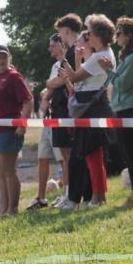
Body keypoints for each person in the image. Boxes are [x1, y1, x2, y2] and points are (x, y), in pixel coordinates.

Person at [58, 15, 118, 209]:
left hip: (94, 109)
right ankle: (97, 196)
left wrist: (63, 59)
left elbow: (74, 79)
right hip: (95, 107)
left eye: (90, 32)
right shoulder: (103, 54)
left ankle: (98, 198)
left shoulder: (99, 57)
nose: (87, 35)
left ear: (98, 35)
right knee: (93, 155)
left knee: (93, 155)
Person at [97, 17, 133, 206]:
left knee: (131, 153)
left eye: (118, 33)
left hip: (131, 110)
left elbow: (123, 85)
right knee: (128, 154)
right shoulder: (127, 57)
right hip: (122, 109)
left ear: (128, 36)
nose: (116, 36)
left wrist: (108, 70)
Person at [0, 45, 33, 216]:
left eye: (4, 56)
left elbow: (28, 101)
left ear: (9, 58)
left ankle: (12, 209)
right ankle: (3, 207)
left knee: (8, 170)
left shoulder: (14, 77)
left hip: (8, 129)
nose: (1, 60)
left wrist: (22, 124)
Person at [29, 34, 67, 210]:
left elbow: (55, 84)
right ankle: (41, 197)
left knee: (62, 158)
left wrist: (48, 89)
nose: (49, 48)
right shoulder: (54, 66)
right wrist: (49, 87)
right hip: (48, 118)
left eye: (52, 45)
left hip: (59, 116)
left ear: (61, 45)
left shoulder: (67, 62)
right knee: (42, 157)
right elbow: (51, 84)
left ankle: (66, 194)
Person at [49, 14, 83, 207]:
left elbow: (64, 80)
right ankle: (70, 192)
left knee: (72, 154)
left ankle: (73, 194)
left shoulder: (76, 50)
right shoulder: (69, 52)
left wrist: (54, 82)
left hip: (71, 107)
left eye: (60, 32)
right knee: (66, 155)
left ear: (67, 30)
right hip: (64, 107)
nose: (59, 36)